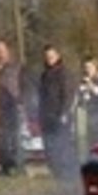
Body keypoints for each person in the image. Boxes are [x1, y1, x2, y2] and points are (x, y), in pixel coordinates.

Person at [38, 44, 78, 180]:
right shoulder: (44, 75)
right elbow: (42, 96)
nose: (49, 59)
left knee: (62, 144)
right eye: (47, 56)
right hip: (46, 115)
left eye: (52, 56)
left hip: (60, 115)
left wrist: (64, 113)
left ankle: (67, 172)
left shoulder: (64, 73)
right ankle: (55, 171)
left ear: (58, 56)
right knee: (49, 146)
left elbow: (68, 94)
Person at [0, 39, 23, 176]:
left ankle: (17, 166)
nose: (0, 53)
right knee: (1, 139)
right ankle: (5, 166)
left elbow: (23, 85)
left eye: (2, 50)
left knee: (14, 137)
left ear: (8, 52)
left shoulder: (16, 67)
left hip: (12, 105)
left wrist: (21, 102)